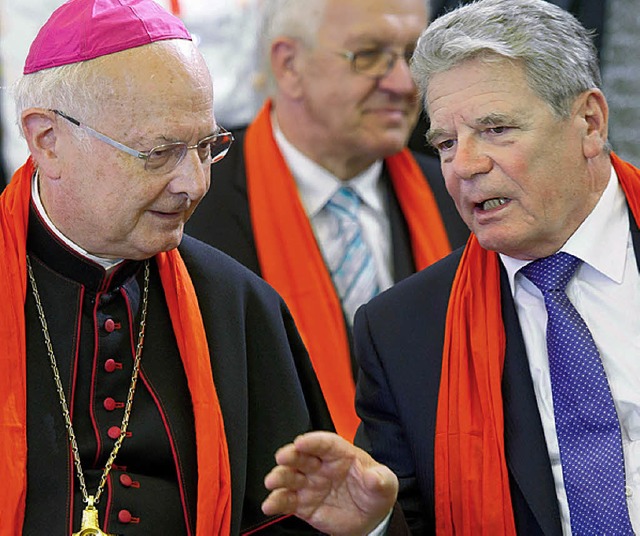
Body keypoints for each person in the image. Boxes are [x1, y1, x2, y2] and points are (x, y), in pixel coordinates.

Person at [260, 0, 640, 534]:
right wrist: (374, 525)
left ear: (589, 122)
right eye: (445, 143)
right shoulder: (402, 333)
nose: (465, 166)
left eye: (497, 129)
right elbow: (409, 519)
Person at [0, 0, 343, 533]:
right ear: (48, 139)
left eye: (207, 147)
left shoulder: (238, 305)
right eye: (159, 153)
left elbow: (293, 521)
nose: (194, 183)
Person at [185, 0, 469, 440]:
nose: (403, 82)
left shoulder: (463, 196)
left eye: (413, 55)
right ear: (289, 64)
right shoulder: (193, 207)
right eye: (369, 55)